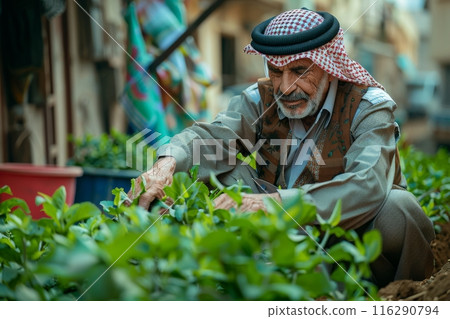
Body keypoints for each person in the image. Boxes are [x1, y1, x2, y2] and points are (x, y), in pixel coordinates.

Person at [128, 8, 435, 287]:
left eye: (300, 71)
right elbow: (214, 138)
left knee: (399, 208)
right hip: (283, 241)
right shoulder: (259, 99)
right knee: (223, 172)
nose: (286, 87)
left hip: (353, 241)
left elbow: (367, 185)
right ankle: (251, 278)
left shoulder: (368, 107)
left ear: (328, 67)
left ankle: (399, 295)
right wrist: (165, 164)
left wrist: (274, 203)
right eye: (276, 72)